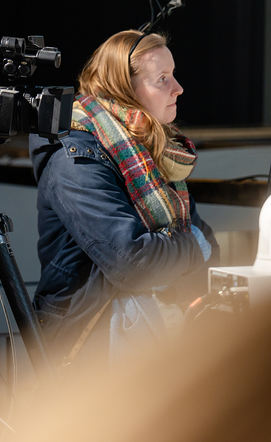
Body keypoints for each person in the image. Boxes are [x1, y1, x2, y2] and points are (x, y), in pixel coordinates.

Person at [29, 29, 219, 370]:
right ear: (123, 89)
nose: (178, 88)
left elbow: (207, 244)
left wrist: (187, 248)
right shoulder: (74, 157)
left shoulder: (152, 147)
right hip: (89, 344)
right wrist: (192, 248)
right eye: (162, 79)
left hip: (157, 326)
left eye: (173, 75)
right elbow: (134, 262)